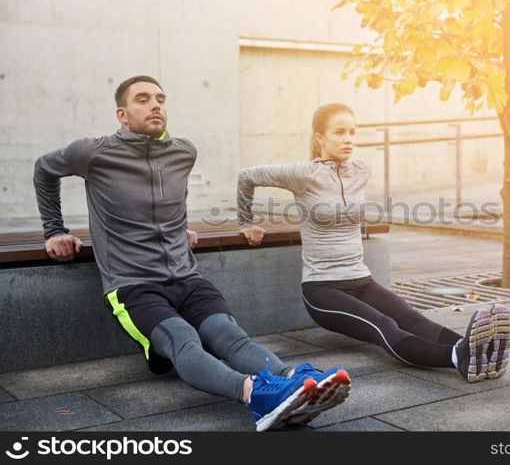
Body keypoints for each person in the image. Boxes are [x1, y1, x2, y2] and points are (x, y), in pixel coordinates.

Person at [33, 76, 350, 431]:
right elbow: (44, 170)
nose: (155, 105)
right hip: (133, 286)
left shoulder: (183, 151)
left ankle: (293, 380)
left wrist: (178, 225)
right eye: (143, 99)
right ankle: (256, 394)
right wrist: (54, 230)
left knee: (229, 335)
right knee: (183, 339)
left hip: (186, 276)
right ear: (122, 114)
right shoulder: (92, 152)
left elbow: (173, 195)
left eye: (160, 98)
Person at [236, 103, 510, 382]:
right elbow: (246, 176)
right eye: (340, 132)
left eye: (353, 132)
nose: (349, 139)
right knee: (384, 326)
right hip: (323, 288)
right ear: (320, 137)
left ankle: (479, 352)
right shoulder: (302, 175)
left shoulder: (360, 170)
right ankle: (457, 358)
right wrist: (246, 221)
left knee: (413, 318)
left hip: (361, 279)